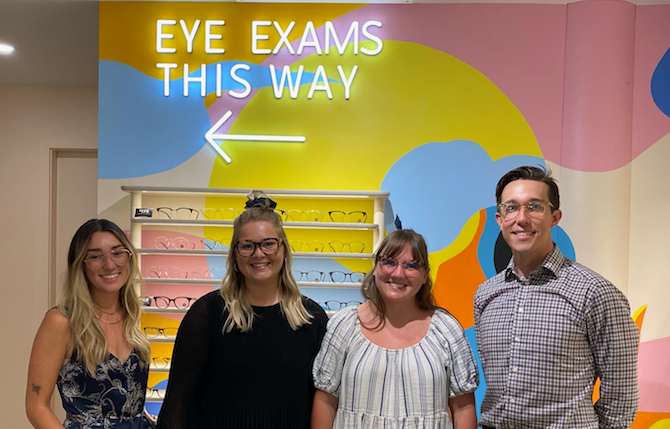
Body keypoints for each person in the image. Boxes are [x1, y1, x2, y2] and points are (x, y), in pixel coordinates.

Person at [474, 166, 639, 429]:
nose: (522, 218)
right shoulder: (486, 294)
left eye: (535, 206)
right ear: (499, 219)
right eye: (511, 208)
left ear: (555, 216)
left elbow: (621, 394)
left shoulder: (595, 292)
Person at [155, 191, 328, 429]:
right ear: (235, 255)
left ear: (284, 250)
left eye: (269, 244)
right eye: (247, 246)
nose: (259, 254)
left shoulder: (312, 319)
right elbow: (178, 400)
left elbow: (323, 405)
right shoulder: (206, 315)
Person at [312, 229, 479, 429]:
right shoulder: (345, 326)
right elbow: (326, 401)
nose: (398, 273)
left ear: (425, 275)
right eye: (389, 262)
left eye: (411, 265)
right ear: (375, 268)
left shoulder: (447, 330)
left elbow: (463, 408)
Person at [26, 219, 152, 429]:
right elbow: (36, 407)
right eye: (95, 257)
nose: (110, 264)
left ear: (129, 258)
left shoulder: (130, 315)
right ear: (81, 265)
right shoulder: (62, 322)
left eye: (118, 252)